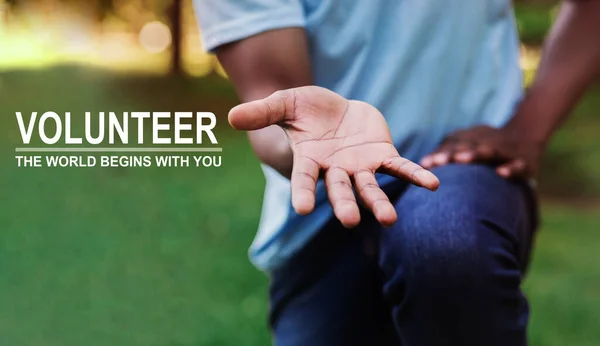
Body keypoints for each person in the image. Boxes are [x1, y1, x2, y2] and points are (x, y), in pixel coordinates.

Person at [193, 1, 600, 345]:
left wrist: (528, 130)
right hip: (326, 213)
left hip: (463, 167)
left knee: (445, 246)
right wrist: (312, 140)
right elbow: (271, 100)